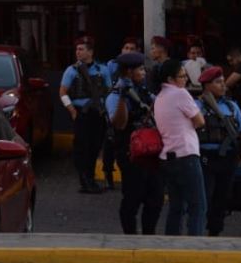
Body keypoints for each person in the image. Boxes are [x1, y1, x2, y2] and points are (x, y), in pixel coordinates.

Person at [105, 51, 163, 235]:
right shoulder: (115, 95)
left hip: (151, 151)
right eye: (140, 69)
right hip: (130, 153)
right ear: (129, 72)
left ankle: (148, 234)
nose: (144, 72)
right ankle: (130, 236)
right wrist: (123, 97)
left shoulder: (143, 91)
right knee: (133, 196)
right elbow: (119, 124)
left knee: (155, 197)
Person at [154, 59, 207, 236]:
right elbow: (200, 121)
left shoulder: (160, 97)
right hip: (186, 155)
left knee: (176, 206)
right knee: (197, 205)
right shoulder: (180, 94)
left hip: (168, 157)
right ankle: (195, 246)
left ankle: (172, 245)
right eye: (182, 76)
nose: (185, 79)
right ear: (171, 79)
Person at [196, 66, 241, 237]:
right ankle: (199, 228)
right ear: (207, 85)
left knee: (223, 196)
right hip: (207, 157)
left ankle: (215, 231)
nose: (223, 85)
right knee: (206, 195)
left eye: (222, 82)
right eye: (218, 82)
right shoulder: (198, 106)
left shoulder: (231, 106)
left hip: (228, 157)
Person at [59, 36, 112, 194]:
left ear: (90, 52)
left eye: (81, 49)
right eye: (77, 49)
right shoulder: (72, 71)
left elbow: (109, 91)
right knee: (82, 147)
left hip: (98, 113)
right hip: (81, 113)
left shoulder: (102, 70)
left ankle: (90, 178)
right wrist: (72, 111)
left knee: (95, 146)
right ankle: (85, 179)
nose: (78, 52)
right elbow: (62, 92)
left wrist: (107, 111)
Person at [102, 36, 141, 189]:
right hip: (114, 107)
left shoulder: (138, 72)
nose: (128, 51)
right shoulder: (113, 66)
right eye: (126, 48)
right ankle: (108, 173)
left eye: (132, 49)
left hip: (131, 114)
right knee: (110, 142)